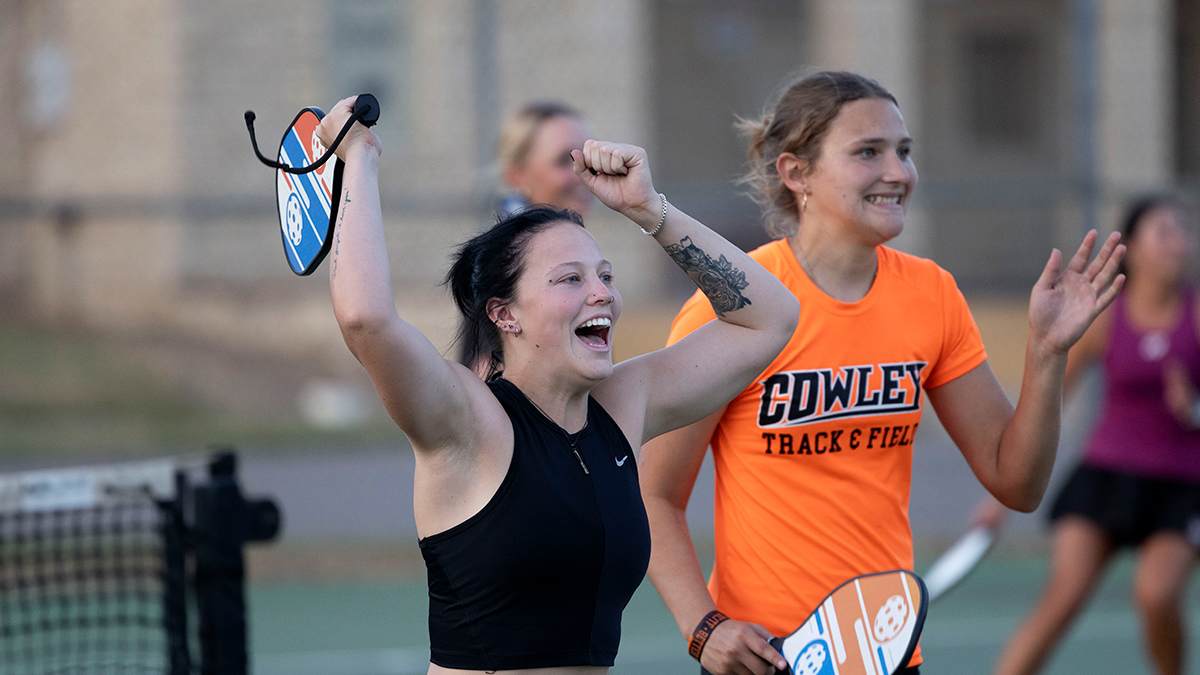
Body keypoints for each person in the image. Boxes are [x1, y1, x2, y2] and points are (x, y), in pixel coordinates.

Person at [637, 71, 1126, 675]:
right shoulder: (736, 302)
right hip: (765, 657)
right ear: (797, 173)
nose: (898, 172)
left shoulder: (932, 294)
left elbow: (1016, 482)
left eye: (904, 151)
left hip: (887, 653)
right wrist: (703, 627)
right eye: (868, 152)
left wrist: (1047, 353)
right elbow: (655, 494)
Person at [313, 95, 800, 674]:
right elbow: (366, 319)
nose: (602, 294)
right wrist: (358, 160)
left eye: (605, 277)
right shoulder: (469, 422)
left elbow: (772, 317)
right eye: (570, 279)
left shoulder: (622, 403)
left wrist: (650, 210)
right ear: (504, 315)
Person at [991, 197, 1199, 675]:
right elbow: (1046, 406)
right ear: (1135, 249)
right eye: (1164, 232)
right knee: (1062, 598)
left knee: (1156, 594)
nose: (1179, 242)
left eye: (1183, 232)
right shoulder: (1104, 320)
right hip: (1105, 476)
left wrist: (1195, 409)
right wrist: (998, 494)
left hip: (1181, 486)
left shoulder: (1197, 315)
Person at [495, 101, 594, 217]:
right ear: (516, 176)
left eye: (589, 157)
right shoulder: (515, 234)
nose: (585, 173)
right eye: (564, 161)